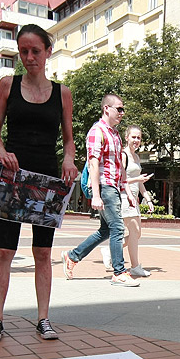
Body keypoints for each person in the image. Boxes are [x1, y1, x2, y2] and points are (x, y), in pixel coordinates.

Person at [0, 25, 77, 342]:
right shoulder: (7, 85)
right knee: (4, 251)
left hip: (47, 177)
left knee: (42, 251)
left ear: (48, 51)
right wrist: (2, 153)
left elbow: (69, 140)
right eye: (23, 51)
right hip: (13, 176)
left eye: (35, 50)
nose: (29, 57)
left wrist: (68, 160)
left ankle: (43, 318)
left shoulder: (62, 93)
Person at [62, 94, 139, 287]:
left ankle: (72, 256)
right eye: (118, 109)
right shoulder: (97, 132)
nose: (122, 113)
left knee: (106, 230)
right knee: (118, 228)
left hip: (113, 187)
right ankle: (119, 272)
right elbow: (94, 164)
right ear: (106, 109)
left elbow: (119, 166)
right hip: (104, 186)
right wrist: (96, 194)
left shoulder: (114, 134)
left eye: (123, 109)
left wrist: (127, 191)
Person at [101, 124, 153, 277]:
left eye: (139, 137)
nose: (136, 140)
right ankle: (135, 266)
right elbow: (120, 179)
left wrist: (147, 198)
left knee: (136, 234)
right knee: (134, 231)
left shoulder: (136, 157)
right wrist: (136, 181)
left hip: (133, 199)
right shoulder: (123, 155)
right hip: (124, 197)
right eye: (134, 137)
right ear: (127, 137)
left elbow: (139, 181)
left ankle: (110, 251)